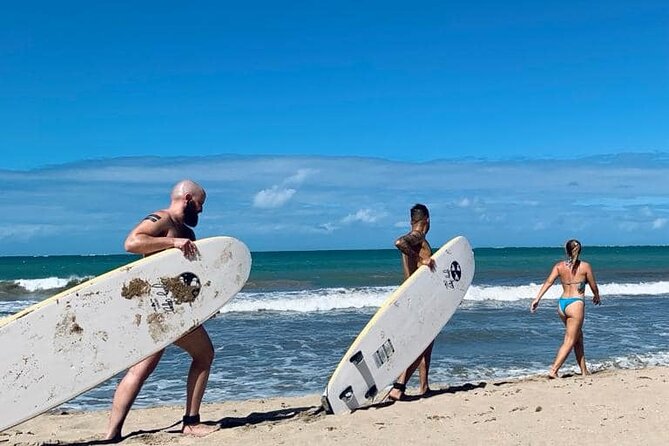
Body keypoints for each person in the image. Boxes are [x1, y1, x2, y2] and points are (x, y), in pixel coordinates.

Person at [104, 179, 217, 441]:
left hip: (172, 307)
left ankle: (112, 433)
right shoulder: (163, 220)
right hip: (160, 307)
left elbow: (187, 279)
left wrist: (206, 305)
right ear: (188, 198)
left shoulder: (187, 233)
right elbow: (132, 242)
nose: (201, 210)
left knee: (141, 369)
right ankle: (190, 422)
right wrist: (172, 243)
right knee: (204, 355)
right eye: (200, 203)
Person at [530, 239, 601, 378]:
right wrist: (596, 296)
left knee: (578, 338)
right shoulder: (585, 266)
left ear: (567, 251)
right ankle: (554, 370)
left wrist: (537, 299)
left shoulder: (559, 266)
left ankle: (584, 371)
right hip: (576, 304)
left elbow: (549, 282)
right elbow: (593, 285)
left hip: (562, 304)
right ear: (580, 250)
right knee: (570, 340)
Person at [387, 203, 436, 401]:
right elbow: (399, 242)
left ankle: (424, 387)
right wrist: (421, 259)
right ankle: (398, 387)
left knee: (427, 343)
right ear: (427, 221)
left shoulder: (418, 239)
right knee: (420, 344)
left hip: (417, 296)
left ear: (411, 220)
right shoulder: (417, 237)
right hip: (418, 298)